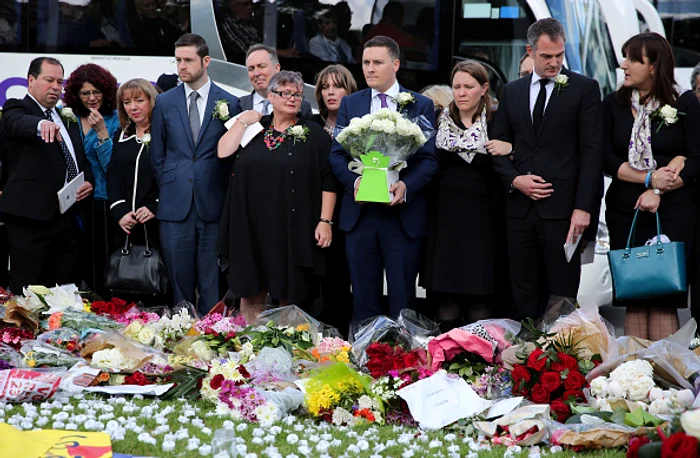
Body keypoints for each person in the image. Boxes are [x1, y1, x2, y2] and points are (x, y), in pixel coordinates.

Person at [491, 18, 603, 320]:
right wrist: (515, 180)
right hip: (519, 211)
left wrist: (583, 208)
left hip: (564, 211)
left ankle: (558, 360)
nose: (554, 62)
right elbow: (496, 146)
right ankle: (523, 358)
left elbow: (592, 153)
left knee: (562, 295)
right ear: (530, 51)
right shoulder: (512, 91)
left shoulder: (584, 89)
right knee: (523, 291)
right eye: (546, 56)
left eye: (559, 55)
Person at [329, 35, 438, 321]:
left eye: (378, 62)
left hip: (401, 216)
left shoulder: (420, 104)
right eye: (366, 62)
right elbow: (337, 155)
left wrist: (406, 186)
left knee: (403, 299)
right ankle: (365, 358)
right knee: (363, 298)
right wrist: (355, 183)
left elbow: (428, 159)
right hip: (361, 214)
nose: (370, 68)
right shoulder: (351, 104)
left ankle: (403, 361)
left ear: (396, 64)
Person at [217, 70, 337, 323]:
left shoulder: (313, 133)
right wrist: (244, 120)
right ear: (270, 96)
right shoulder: (255, 128)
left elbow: (329, 180)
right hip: (250, 224)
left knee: (290, 292)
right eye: (285, 93)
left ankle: (289, 348)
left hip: (290, 225)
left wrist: (325, 222)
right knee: (250, 290)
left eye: (297, 94)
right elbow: (223, 153)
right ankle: (252, 349)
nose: (292, 98)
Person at [603, 33, 700, 340]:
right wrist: (647, 179)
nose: (624, 65)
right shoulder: (613, 104)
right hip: (625, 211)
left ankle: (664, 384)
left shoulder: (683, 103)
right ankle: (630, 380)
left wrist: (658, 190)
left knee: (661, 301)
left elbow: (696, 158)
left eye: (633, 59)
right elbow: (605, 158)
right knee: (633, 299)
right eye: (625, 57)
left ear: (655, 66)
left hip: (672, 211)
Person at [150, 33, 241, 314]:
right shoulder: (164, 102)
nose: (182, 66)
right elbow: (158, 155)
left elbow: (232, 158)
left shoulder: (229, 102)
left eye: (188, 60)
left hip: (213, 203)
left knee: (212, 278)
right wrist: (170, 188)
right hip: (175, 205)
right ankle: (181, 335)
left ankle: (213, 336)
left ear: (206, 61)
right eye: (178, 60)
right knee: (179, 277)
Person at [422, 60, 512, 331]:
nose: (461, 92)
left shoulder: (497, 122)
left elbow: (512, 160)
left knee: (479, 294)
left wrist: (510, 147)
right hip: (445, 219)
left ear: (484, 89)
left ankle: (478, 365)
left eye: (468, 86)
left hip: (484, 220)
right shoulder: (438, 120)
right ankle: (446, 362)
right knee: (446, 296)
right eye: (457, 86)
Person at [0, 57, 94, 293]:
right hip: (30, 217)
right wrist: (41, 125)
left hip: (67, 217)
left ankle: (59, 330)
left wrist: (88, 181)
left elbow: (79, 159)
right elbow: (15, 122)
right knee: (29, 291)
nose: (55, 86)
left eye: (60, 82)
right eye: (49, 80)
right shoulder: (17, 107)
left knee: (65, 289)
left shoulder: (65, 117)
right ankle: (22, 332)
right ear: (31, 80)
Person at [63, 63, 120, 295]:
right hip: (74, 203)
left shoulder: (115, 120)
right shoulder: (69, 118)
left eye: (96, 91)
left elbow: (113, 167)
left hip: (105, 200)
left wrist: (102, 133)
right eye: (85, 93)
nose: (92, 98)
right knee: (78, 262)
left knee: (105, 263)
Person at [309, 64, 357, 335]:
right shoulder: (311, 125)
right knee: (319, 281)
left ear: (349, 89)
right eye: (325, 87)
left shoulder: (359, 125)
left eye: (337, 86)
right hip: (316, 212)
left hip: (351, 210)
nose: (330, 92)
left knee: (343, 280)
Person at [108, 78, 159, 249]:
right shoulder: (121, 135)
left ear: (151, 100)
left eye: (139, 100)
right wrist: (120, 211)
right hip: (125, 223)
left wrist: (155, 206)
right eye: (127, 102)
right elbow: (113, 176)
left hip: (157, 223)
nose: (133, 107)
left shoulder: (165, 133)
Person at [239, 44, 312, 119]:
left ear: (277, 68)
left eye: (262, 66)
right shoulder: (238, 104)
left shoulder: (301, 105)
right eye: (251, 69)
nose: (256, 73)